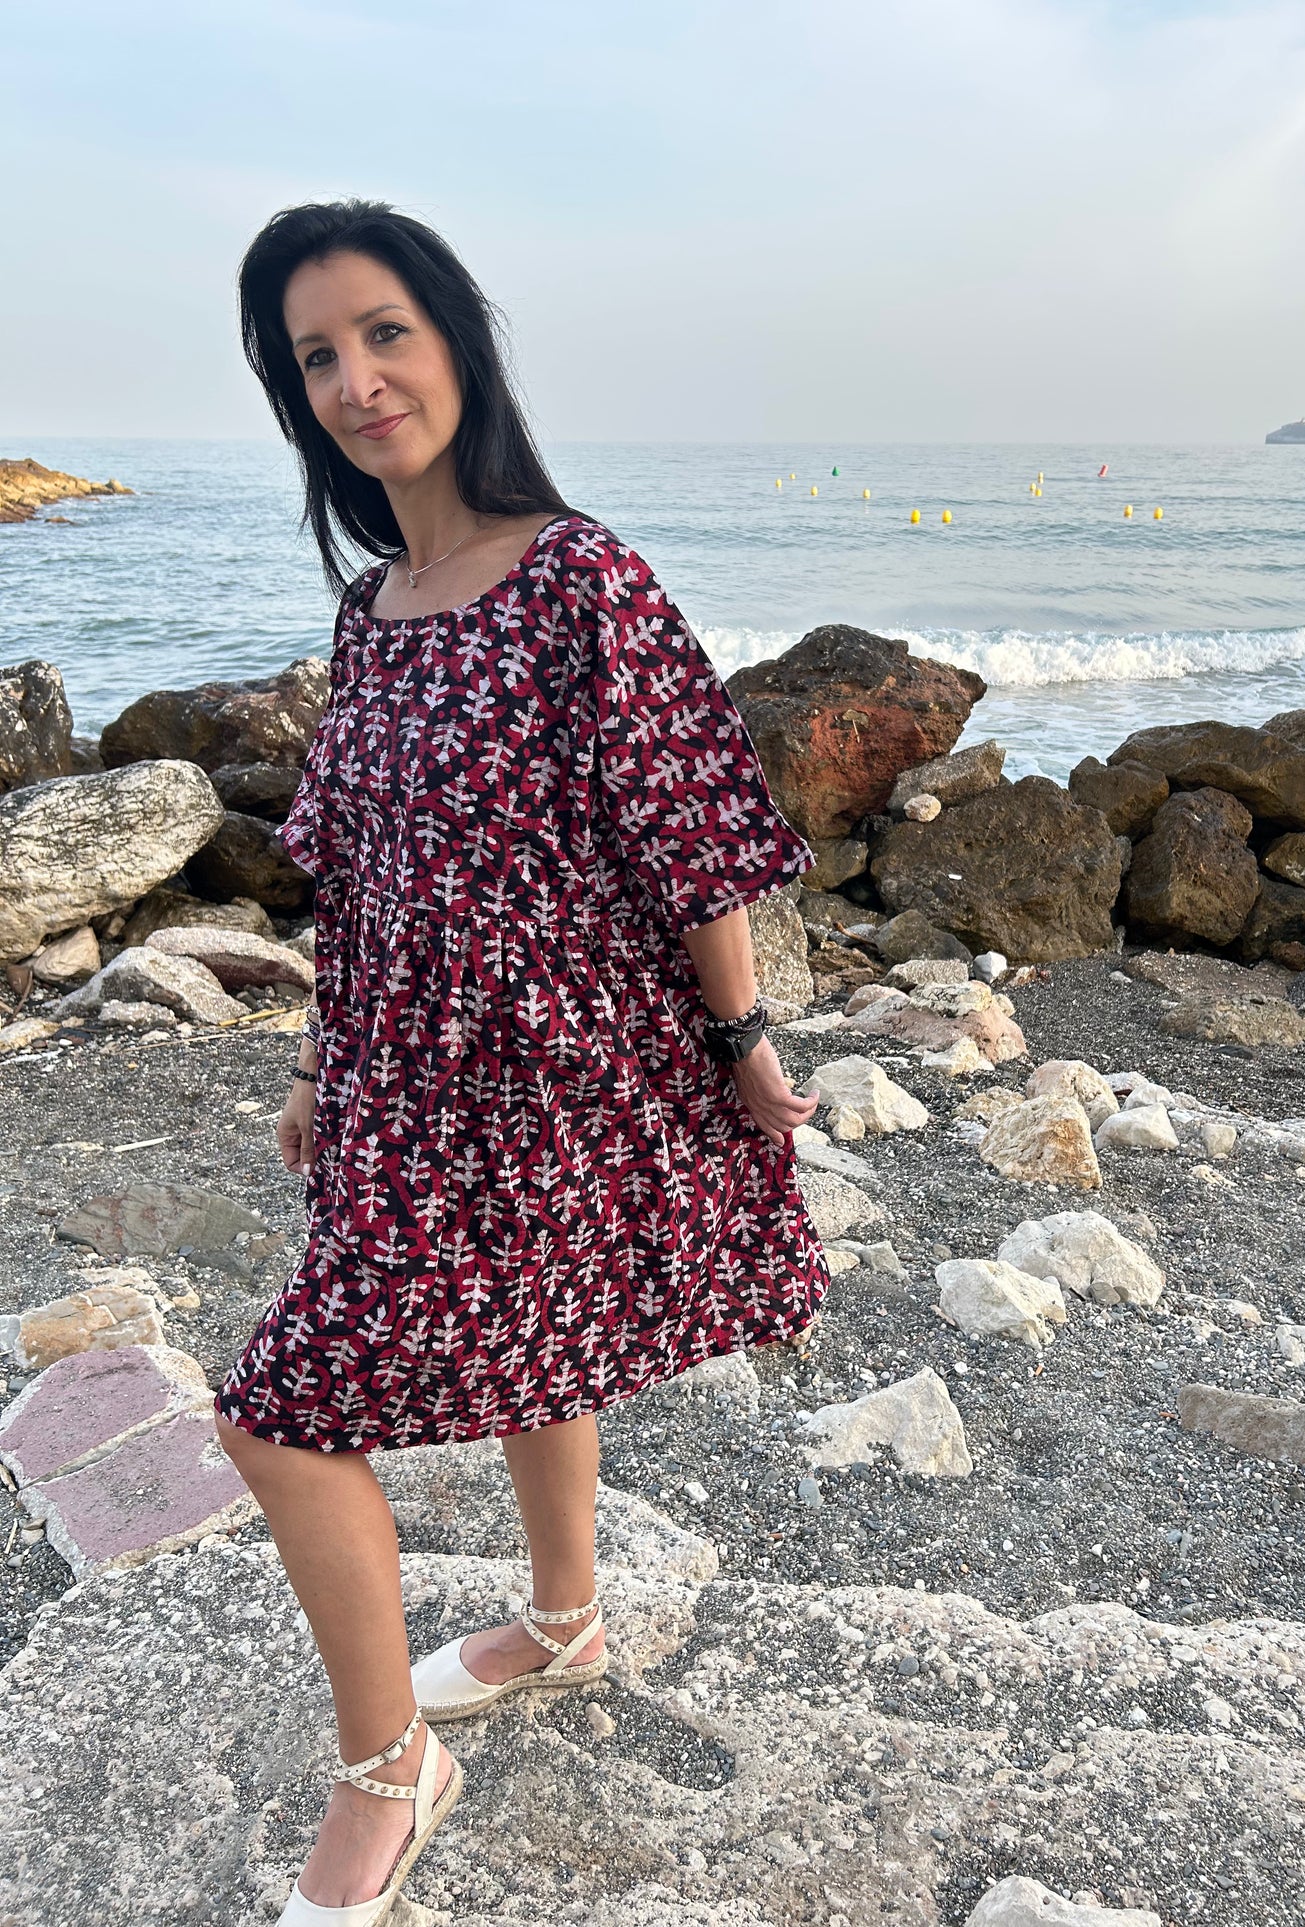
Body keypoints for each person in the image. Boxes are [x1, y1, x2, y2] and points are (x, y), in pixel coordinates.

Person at [213, 199, 831, 1927]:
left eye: (382, 332)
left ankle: (388, 1764)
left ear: (457, 343)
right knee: (502, 1337)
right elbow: (358, 869)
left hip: (565, 1063)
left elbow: (691, 836)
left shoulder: (579, 575)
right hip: (406, 1076)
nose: (354, 379)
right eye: (313, 356)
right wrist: (324, 1068)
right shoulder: (377, 606)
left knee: (276, 1417)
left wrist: (741, 1041)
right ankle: (563, 1621)